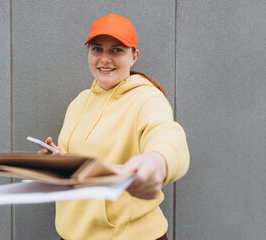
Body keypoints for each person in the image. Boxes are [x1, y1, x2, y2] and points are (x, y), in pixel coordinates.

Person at [39, 14, 190, 240]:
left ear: (134, 56)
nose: (105, 59)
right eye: (97, 49)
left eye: (117, 50)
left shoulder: (148, 99)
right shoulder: (79, 101)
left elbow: (167, 134)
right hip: (73, 234)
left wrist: (158, 161)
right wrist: (57, 162)